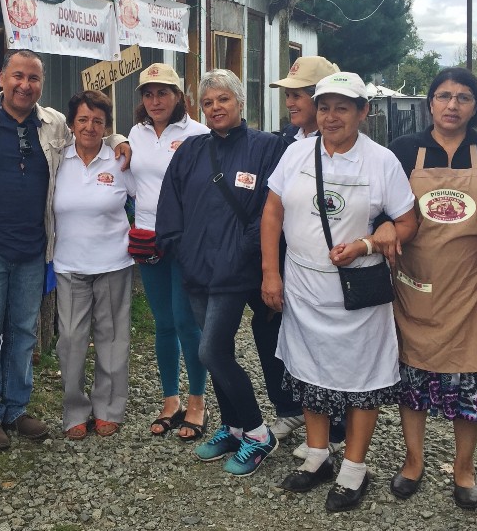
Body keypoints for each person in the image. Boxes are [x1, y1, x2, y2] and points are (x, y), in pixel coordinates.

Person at [0, 50, 129, 450]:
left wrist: (119, 137)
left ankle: (17, 408)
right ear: (2, 77)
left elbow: (92, 129)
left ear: (41, 85)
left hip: (33, 247)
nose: (25, 85)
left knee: (23, 332)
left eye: (34, 79)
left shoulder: (53, 122)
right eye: (18, 76)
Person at [261, 72, 417, 512]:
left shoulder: (381, 161)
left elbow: (407, 222)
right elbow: (272, 213)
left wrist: (369, 242)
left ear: (363, 112)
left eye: (342, 107)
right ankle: (317, 458)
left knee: (360, 378)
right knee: (309, 370)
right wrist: (270, 273)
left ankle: (353, 469)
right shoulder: (295, 154)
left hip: (357, 293)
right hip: (304, 286)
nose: (331, 117)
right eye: (325, 106)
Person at [381, 67, 477, 509]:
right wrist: (386, 228)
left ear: (475, 107)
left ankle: (464, 470)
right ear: (429, 102)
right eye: (444, 95)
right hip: (412, 285)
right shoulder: (404, 151)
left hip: (472, 289)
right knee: (414, 379)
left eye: (463, 97)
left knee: (470, 386)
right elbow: (377, 207)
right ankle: (413, 461)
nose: (452, 105)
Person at [157, 69, 286, 477]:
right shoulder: (191, 150)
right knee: (219, 353)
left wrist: (242, 251)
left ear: (240, 102)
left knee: (210, 350)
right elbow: (170, 202)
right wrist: (177, 245)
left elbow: (271, 208)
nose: (215, 108)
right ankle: (232, 429)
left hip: (236, 270)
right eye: (208, 102)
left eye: (223, 100)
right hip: (195, 268)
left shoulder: (267, 147)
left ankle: (259, 433)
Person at [263, 56, 347, 456]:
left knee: (332, 345)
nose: (290, 103)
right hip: (288, 263)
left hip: (334, 266)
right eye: (289, 95)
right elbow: (271, 208)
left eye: (297, 94)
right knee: (284, 340)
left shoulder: (351, 148)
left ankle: (336, 430)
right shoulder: (287, 141)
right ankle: (297, 410)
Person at [127, 63, 209, 440]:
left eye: (163, 93)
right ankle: (170, 399)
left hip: (186, 238)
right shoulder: (136, 133)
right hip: (147, 236)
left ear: (179, 96)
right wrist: (115, 140)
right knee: (163, 322)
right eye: (148, 93)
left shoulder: (198, 133)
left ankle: (198, 400)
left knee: (185, 320)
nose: (155, 100)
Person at [53, 90, 136, 439]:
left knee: (113, 338)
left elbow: (144, 199)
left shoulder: (120, 161)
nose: (90, 127)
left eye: (98, 121)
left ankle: (108, 407)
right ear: (72, 123)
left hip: (114, 263)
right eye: (83, 119)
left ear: (107, 126)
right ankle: (75, 410)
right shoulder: (57, 159)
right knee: (71, 340)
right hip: (69, 265)